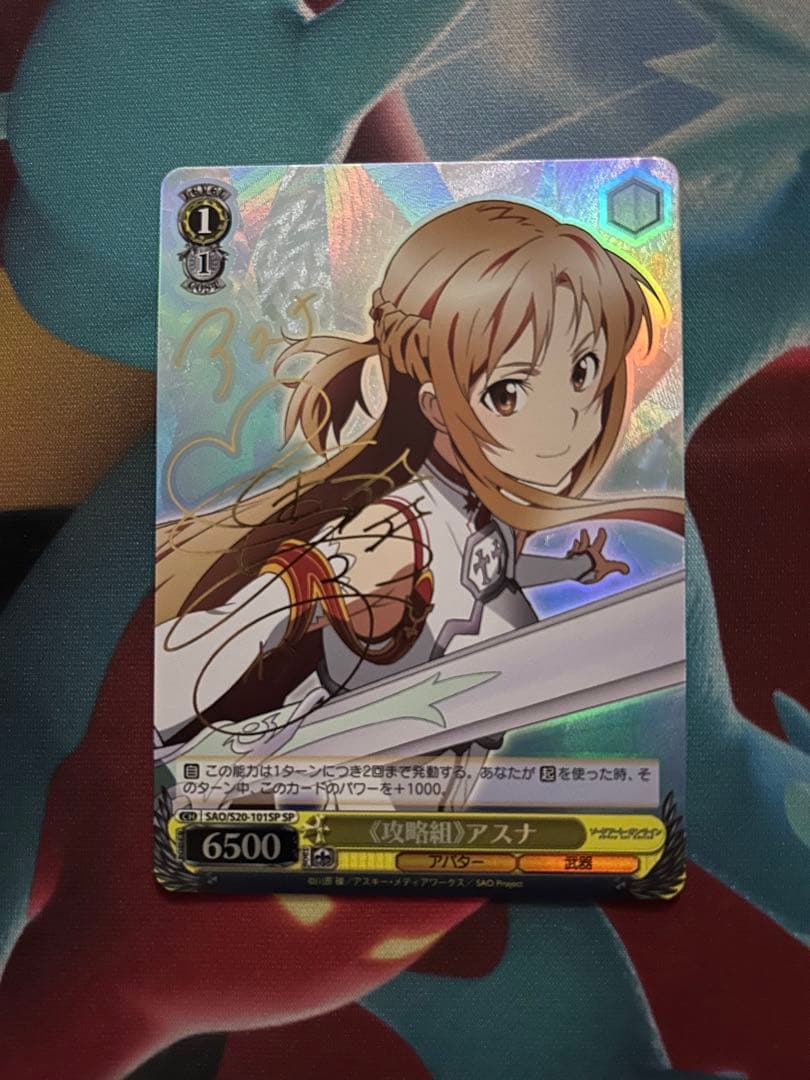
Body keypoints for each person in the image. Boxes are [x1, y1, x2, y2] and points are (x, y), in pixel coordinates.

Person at [154, 199, 683, 762]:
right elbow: (189, 668)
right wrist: (307, 589)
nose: (568, 420)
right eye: (508, 393)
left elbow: (492, 569)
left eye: (582, 371)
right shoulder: (394, 530)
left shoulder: (483, 503)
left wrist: (572, 570)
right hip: (364, 788)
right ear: (434, 406)